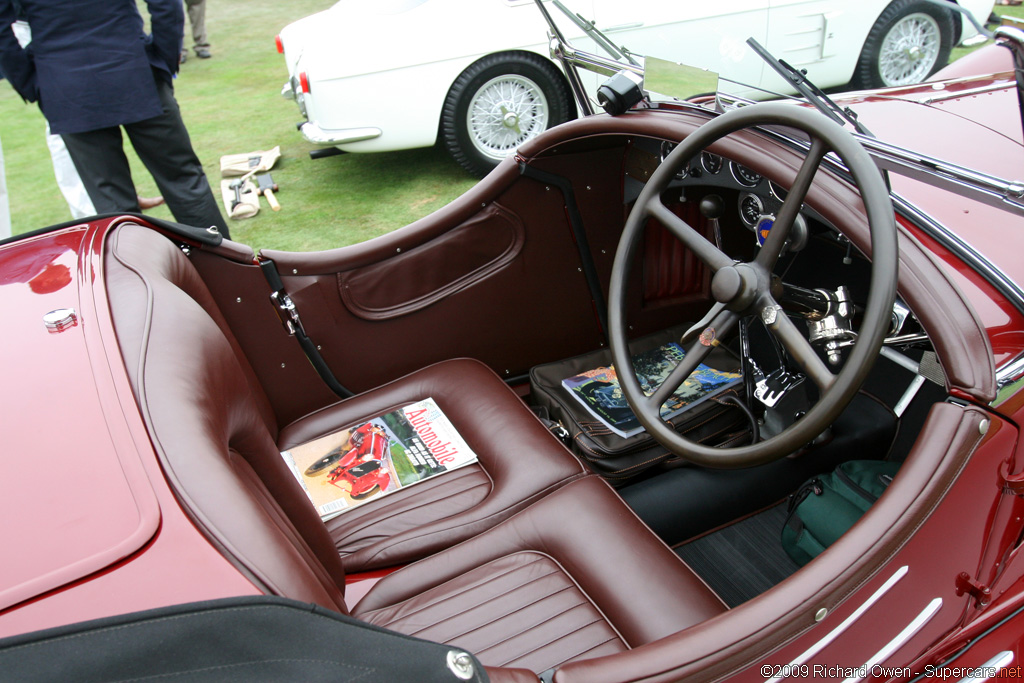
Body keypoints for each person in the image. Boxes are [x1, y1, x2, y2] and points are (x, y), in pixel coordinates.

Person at [0, 0, 230, 239]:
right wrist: (163, 57)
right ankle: (227, 271)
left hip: (73, 82)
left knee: (115, 202)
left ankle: (148, 273)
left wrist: (30, 82)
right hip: (126, 69)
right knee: (181, 182)